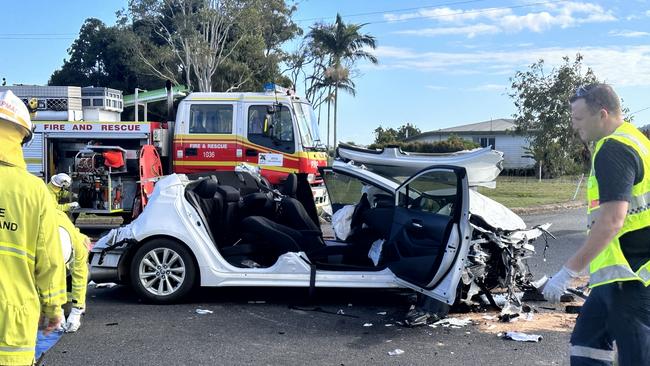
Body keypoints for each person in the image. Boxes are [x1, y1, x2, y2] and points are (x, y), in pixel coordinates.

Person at [542, 84, 650, 365]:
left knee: (636, 356)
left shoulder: (613, 149)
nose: (573, 125)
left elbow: (612, 220)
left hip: (631, 277)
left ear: (602, 115)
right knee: (587, 342)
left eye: (578, 119)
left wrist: (568, 272)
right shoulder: (636, 140)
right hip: (615, 276)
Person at [0, 90, 67, 365]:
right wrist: (53, 308)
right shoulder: (33, 191)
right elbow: (50, 260)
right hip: (13, 323)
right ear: (22, 138)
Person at [54, 210, 90, 333]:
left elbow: (79, 279)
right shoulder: (39, 241)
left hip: (74, 245)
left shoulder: (79, 248)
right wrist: (55, 311)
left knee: (74, 278)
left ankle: (70, 306)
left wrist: (76, 312)